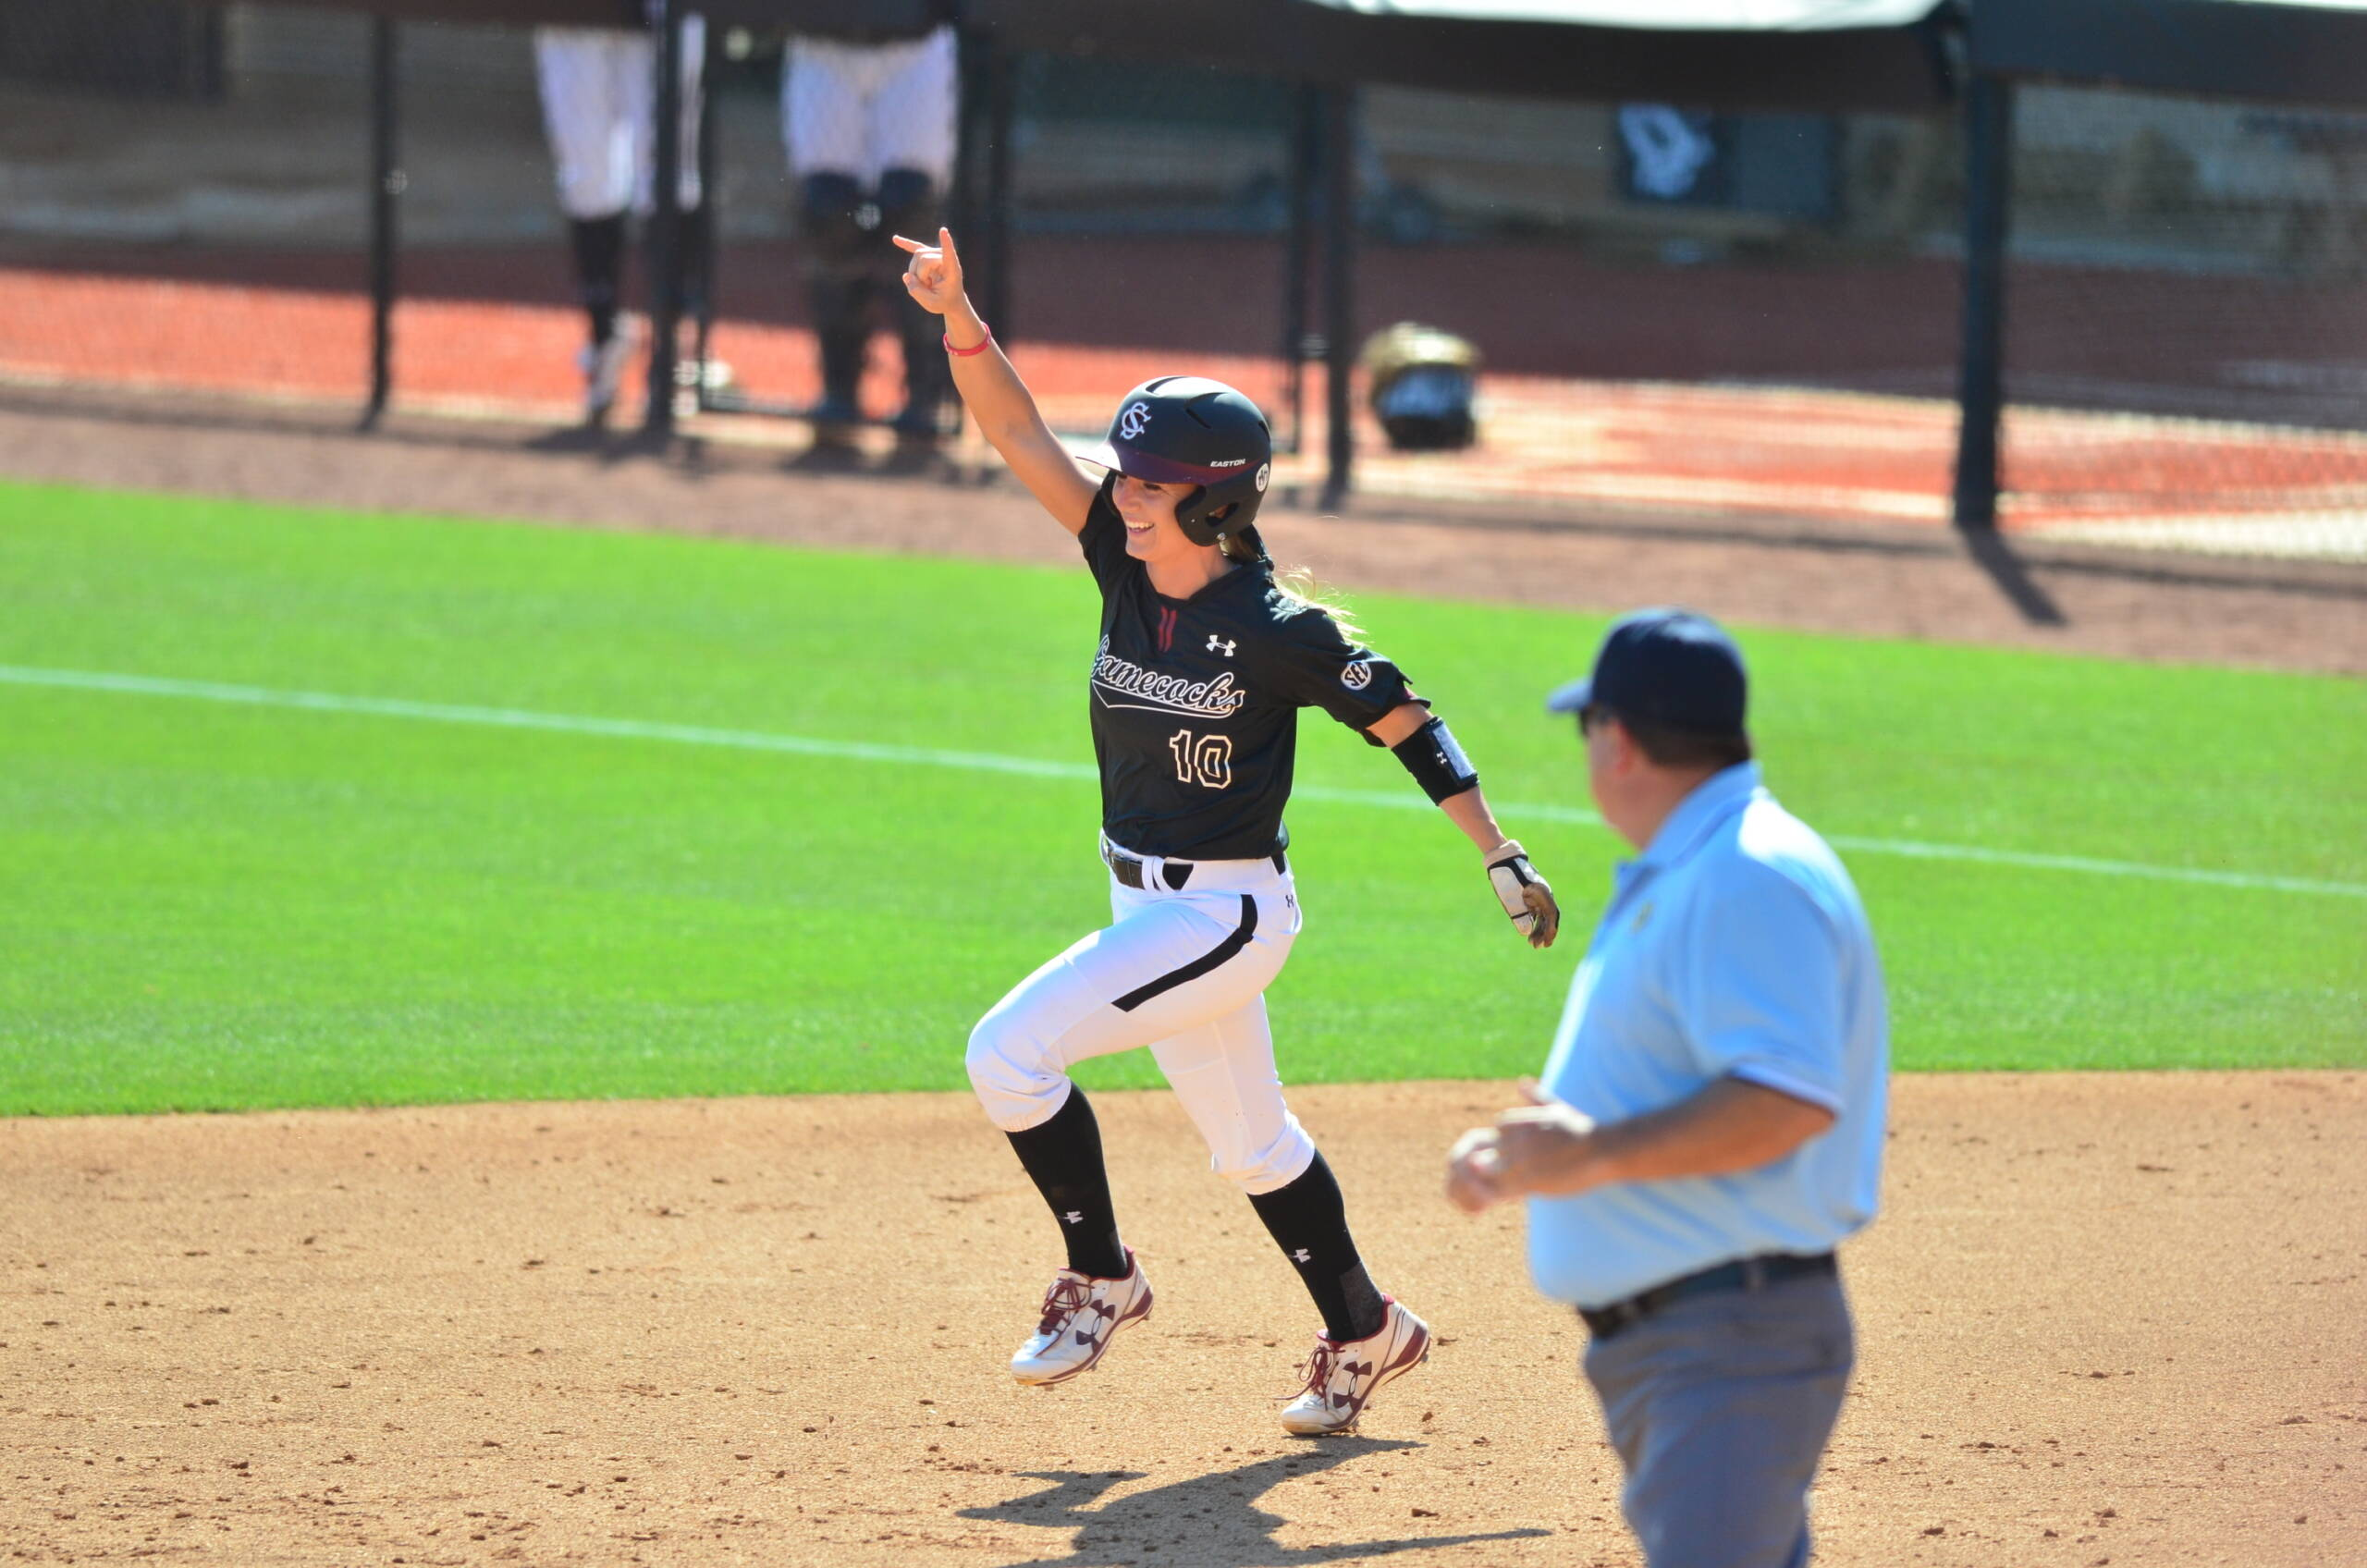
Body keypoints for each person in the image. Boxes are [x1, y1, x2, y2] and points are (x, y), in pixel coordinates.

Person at [896, 226, 1564, 1436]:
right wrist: (959, 316)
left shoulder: (1282, 628)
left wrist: (1497, 847)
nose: (1120, 493)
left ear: (1212, 500)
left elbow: (1410, 722)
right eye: (1125, 475)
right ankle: (1370, 1330)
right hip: (1143, 904)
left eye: (1147, 482)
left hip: (1225, 913)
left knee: (1007, 1054)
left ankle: (1103, 1276)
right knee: (1255, 1147)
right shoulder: (1120, 560)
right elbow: (1011, 431)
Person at [1446, 607, 1888, 1568]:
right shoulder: (1704, 864)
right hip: (1703, 1346)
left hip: (1726, 1346)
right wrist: (1545, 1148)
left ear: (1621, 740)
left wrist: (1589, 1153)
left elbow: (1788, 1097)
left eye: (1588, 726)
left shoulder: (1744, 875)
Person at [782, 5, 960, 445]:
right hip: (821, 42)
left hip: (913, 41)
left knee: (911, 208)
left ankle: (924, 392)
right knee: (829, 214)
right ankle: (839, 387)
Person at [532, 2, 711, 424]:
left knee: (669, 172)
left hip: (665, 14)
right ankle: (605, 337)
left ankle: (669, 350)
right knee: (584, 176)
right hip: (574, 22)